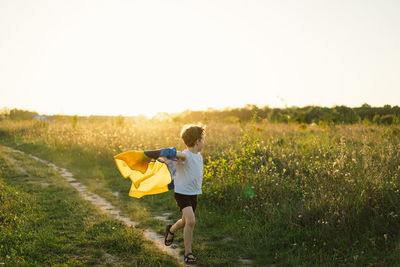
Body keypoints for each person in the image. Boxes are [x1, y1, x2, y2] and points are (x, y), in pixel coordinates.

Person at [164, 124, 205, 265]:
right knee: (191, 221)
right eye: (203, 139)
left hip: (193, 194)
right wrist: (171, 153)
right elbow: (179, 156)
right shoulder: (185, 155)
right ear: (197, 141)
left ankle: (171, 230)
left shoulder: (199, 157)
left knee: (184, 222)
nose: (204, 142)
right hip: (182, 193)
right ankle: (188, 254)